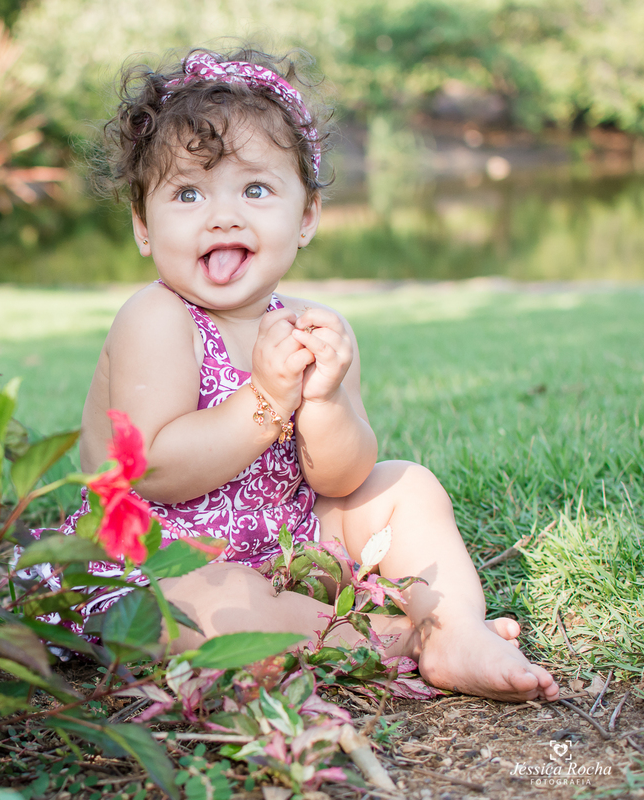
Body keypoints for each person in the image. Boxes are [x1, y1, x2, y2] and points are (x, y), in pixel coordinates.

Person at [27, 46, 558, 703]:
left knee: (406, 486)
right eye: (188, 193)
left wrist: (325, 400)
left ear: (306, 217)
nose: (223, 216)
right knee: (216, 605)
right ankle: (398, 638)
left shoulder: (309, 325)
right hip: (154, 561)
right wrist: (266, 399)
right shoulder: (156, 318)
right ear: (143, 226)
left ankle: (454, 625)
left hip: (287, 542)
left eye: (255, 190)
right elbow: (154, 469)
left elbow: (341, 478)